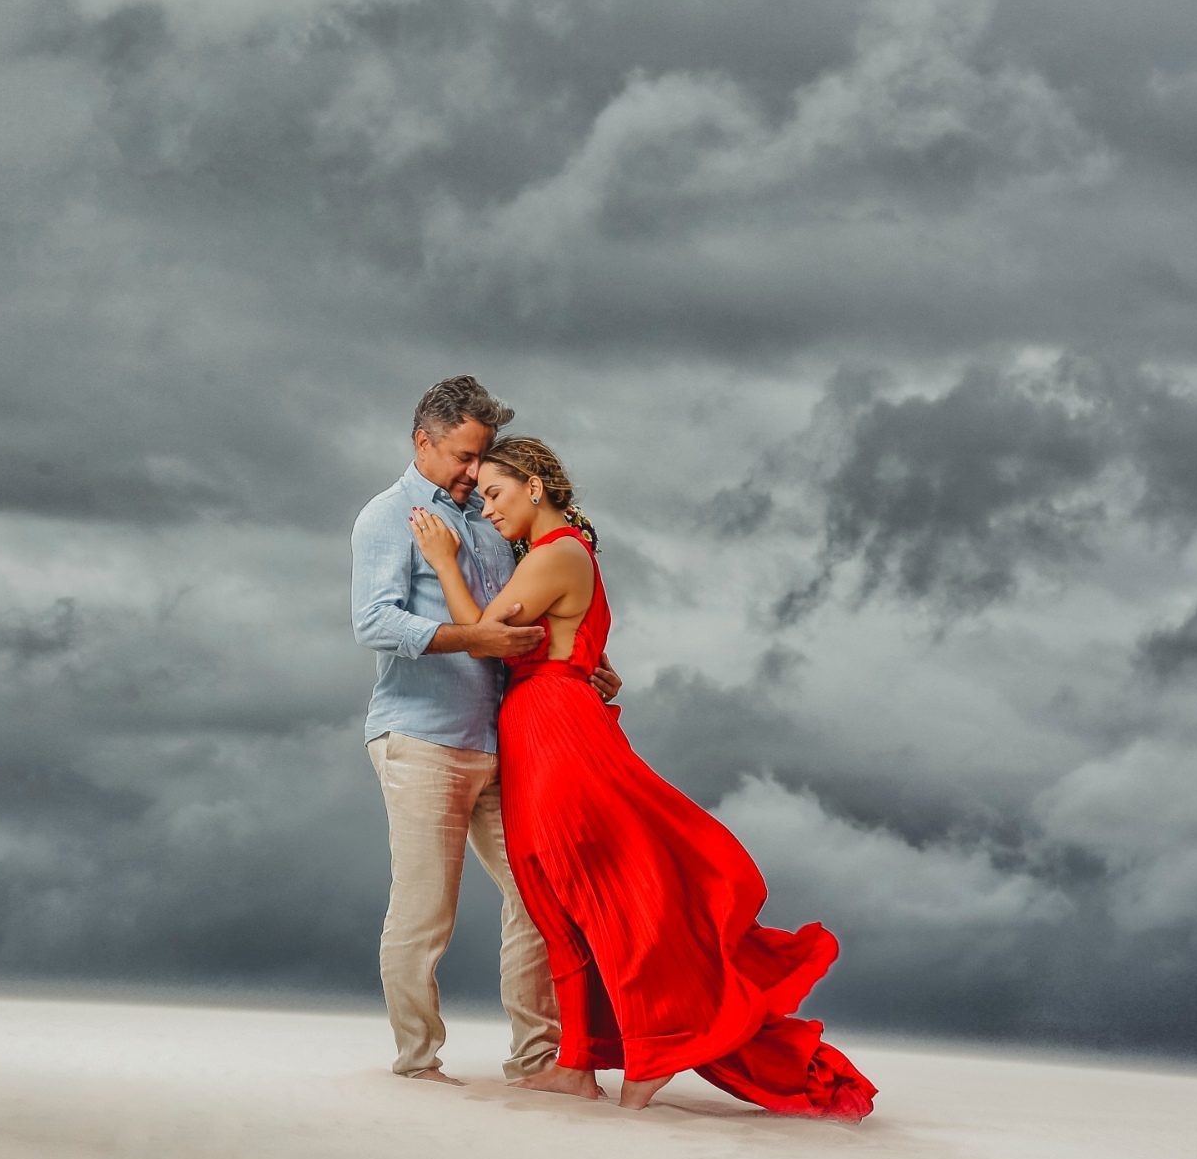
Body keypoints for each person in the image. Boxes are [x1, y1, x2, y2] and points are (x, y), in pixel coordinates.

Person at [406, 434, 877, 1118]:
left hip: (557, 731)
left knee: (595, 888)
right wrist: (584, 667)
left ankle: (652, 1053)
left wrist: (442, 558)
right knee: (553, 892)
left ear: (535, 485)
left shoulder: (559, 552)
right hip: (540, 725)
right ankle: (575, 1066)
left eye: (496, 494)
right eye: (480, 499)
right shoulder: (556, 556)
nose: (488, 510)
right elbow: (567, 647)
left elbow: (483, 633)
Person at [351, 377, 622, 1087]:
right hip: (420, 736)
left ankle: (535, 1058)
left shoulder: (491, 519)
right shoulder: (388, 516)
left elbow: (525, 619)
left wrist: (584, 663)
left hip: (502, 745)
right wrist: (472, 637)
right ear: (423, 441)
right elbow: (374, 621)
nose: (474, 473)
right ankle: (417, 1062)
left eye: (482, 459)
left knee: (541, 897)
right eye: (464, 456)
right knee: (425, 908)